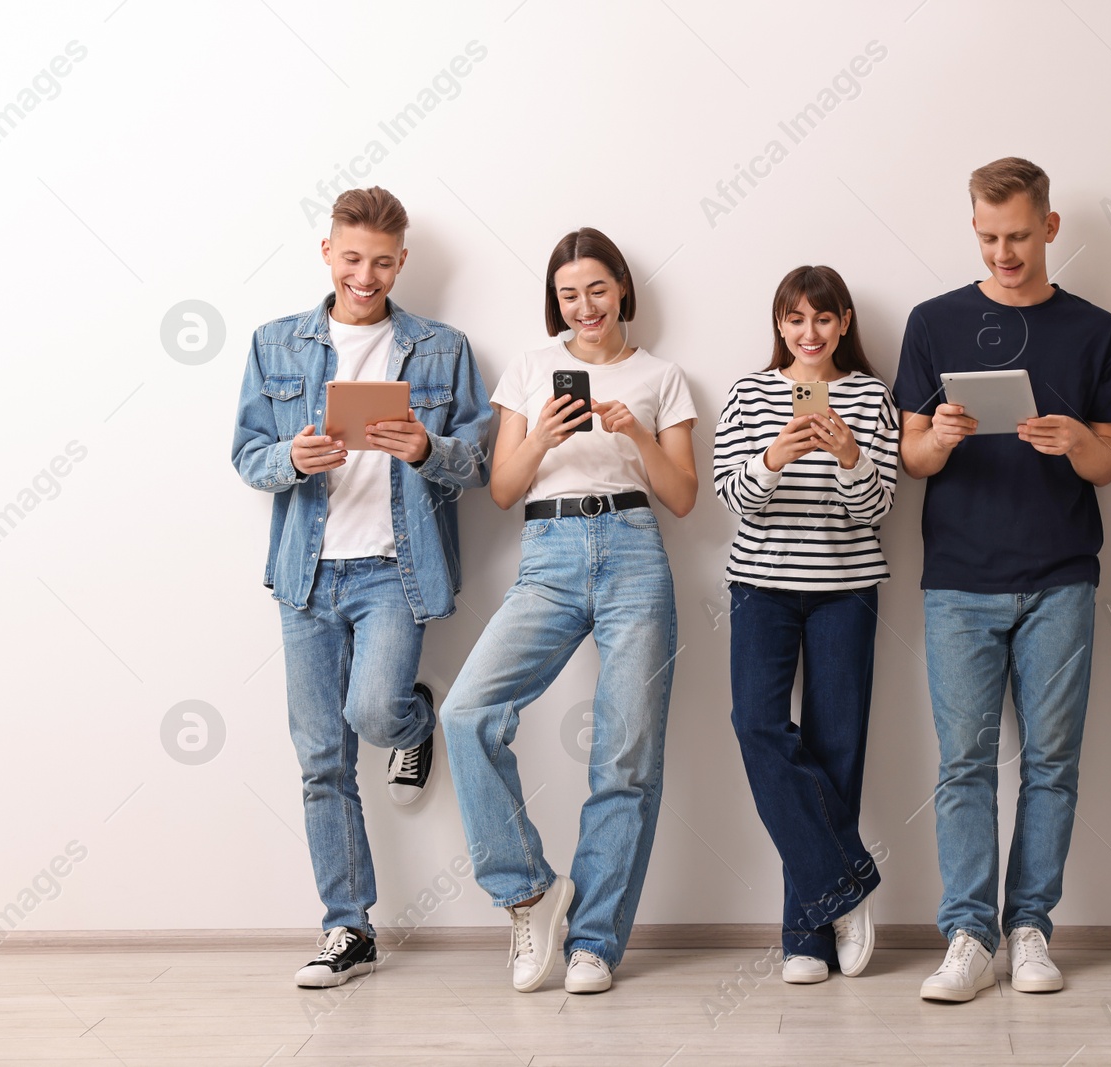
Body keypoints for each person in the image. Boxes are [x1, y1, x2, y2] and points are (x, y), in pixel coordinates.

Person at [231, 186, 492, 987]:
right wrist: (290, 461)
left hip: (393, 571)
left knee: (374, 710)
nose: (365, 275)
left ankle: (411, 719)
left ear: (402, 261)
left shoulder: (443, 349)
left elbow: (480, 459)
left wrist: (424, 448)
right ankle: (349, 927)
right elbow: (247, 453)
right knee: (321, 760)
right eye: (352, 258)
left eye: (382, 262)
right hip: (306, 577)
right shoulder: (276, 343)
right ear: (327, 254)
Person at [894, 157, 1111, 1002]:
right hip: (958, 578)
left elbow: (1108, 464)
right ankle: (968, 933)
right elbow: (911, 455)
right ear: (974, 230)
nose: (1006, 252)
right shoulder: (932, 321)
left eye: (1021, 236)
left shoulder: (1095, 328)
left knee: (1052, 763)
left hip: (1061, 575)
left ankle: (1028, 928)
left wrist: (1075, 441)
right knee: (963, 766)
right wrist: (943, 438)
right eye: (991, 237)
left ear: (1050, 228)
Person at [442, 228, 698, 996]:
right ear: (555, 302)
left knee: (625, 757)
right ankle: (529, 888)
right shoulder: (530, 368)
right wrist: (544, 435)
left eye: (595, 288)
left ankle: (595, 943)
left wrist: (639, 434)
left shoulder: (663, 375)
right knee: (465, 712)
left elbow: (683, 496)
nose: (583, 306)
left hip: (633, 550)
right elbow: (502, 488)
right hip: (549, 553)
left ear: (621, 287)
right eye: (567, 294)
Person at [714, 265, 900, 984]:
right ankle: (846, 884)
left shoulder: (872, 397)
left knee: (836, 748)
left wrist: (849, 456)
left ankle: (806, 935)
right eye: (795, 319)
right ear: (780, 325)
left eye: (823, 319)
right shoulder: (749, 392)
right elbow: (734, 497)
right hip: (760, 587)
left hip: (845, 589)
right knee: (755, 725)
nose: (809, 332)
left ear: (845, 322)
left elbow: (876, 508)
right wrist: (772, 458)